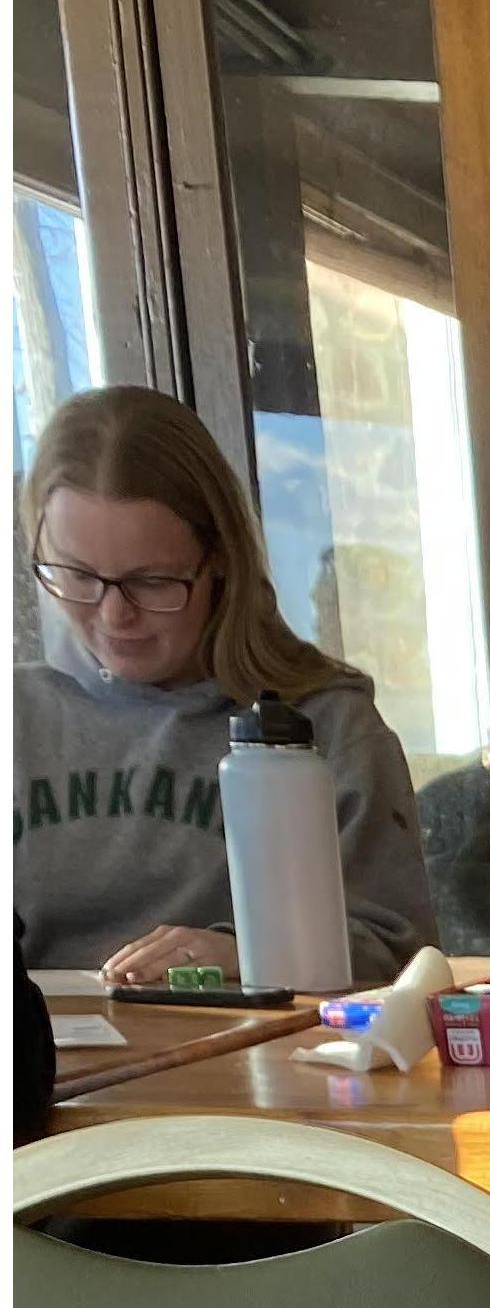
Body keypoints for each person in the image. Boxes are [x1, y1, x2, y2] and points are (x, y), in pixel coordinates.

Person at [14, 386, 436, 984]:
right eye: (77, 575)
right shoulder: (19, 715)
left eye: (153, 581)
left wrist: (248, 956)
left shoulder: (325, 725)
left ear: (218, 561)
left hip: (254, 1066)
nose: (113, 616)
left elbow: (406, 956)